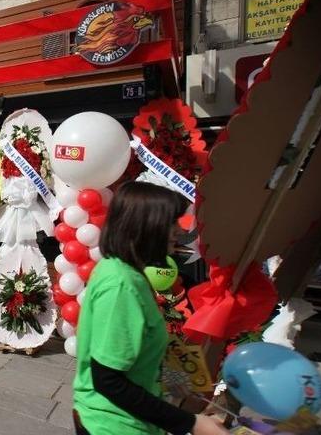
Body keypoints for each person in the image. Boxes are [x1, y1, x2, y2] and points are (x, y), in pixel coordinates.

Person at [72, 182, 228, 435]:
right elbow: (108, 380)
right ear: (147, 226)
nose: (179, 230)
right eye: (172, 223)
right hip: (114, 426)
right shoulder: (121, 284)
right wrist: (192, 423)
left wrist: (177, 378)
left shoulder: (123, 271)